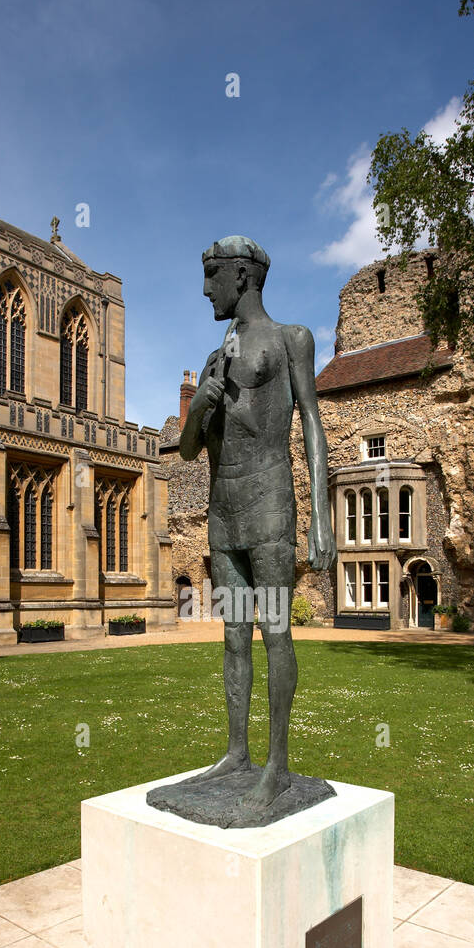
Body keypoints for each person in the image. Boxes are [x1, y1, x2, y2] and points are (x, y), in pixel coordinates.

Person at [178, 235, 336, 824]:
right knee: (233, 636)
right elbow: (192, 450)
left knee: (276, 635)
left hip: (270, 505)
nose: (204, 289)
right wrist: (200, 405)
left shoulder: (292, 339)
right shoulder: (216, 358)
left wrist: (322, 517)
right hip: (225, 510)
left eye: (212, 274)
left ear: (241, 275)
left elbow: (313, 428)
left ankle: (277, 764)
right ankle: (237, 751)